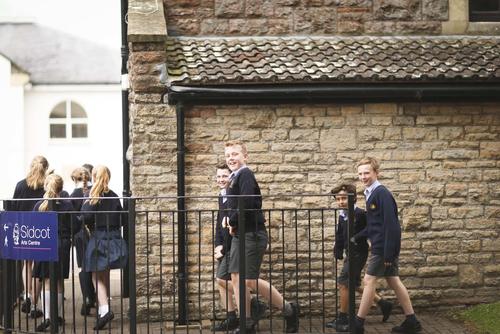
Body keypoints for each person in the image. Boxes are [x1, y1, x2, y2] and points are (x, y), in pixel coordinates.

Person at [223, 140, 299, 334]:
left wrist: (231, 221)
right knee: (236, 279)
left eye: (235, 154)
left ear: (245, 156)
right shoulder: (234, 177)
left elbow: (246, 202)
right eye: (228, 155)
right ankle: (246, 324)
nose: (231, 158)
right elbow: (236, 206)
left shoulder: (246, 174)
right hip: (241, 234)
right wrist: (233, 224)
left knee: (249, 281)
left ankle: (289, 310)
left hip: (253, 235)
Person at [354, 157, 421, 334]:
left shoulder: (381, 193)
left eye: (367, 172)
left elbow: (392, 226)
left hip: (383, 247)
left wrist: (389, 254)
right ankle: (412, 321)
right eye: (360, 173)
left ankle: (358, 324)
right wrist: (358, 236)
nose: (363, 177)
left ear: (376, 173)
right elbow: (375, 224)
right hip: (380, 245)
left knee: (368, 281)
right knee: (394, 280)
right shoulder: (370, 193)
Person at [326, 183, 392, 331]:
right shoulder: (342, 215)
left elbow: (371, 228)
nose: (341, 202)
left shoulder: (361, 214)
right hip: (350, 252)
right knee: (353, 284)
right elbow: (339, 234)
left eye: (344, 198)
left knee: (344, 282)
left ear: (353, 198)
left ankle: (343, 318)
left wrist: (357, 237)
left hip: (358, 252)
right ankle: (383, 303)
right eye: (338, 199)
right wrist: (338, 248)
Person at [212, 163, 267, 332]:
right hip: (228, 244)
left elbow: (235, 218)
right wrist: (218, 244)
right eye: (219, 176)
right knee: (223, 279)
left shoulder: (235, 191)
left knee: (245, 280)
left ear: (232, 177)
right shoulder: (222, 196)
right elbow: (220, 223)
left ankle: (252, 307)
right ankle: (235, 316)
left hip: (237, 240)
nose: (222, 179)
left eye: (225, 176)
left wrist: (226, 244)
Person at [81, 166, 128, 330]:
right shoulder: (114, 196)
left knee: (95, 276)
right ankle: (102, 310)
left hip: (99, 238)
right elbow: (122, 219)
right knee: (104, 273)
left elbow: (85, 217)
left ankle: (105, 309)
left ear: (94, 177)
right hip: (114, 238)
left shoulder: (92, 196)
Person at [32, 174, 78, 332]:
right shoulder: (67, 205)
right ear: (61, 188)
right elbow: (76, 226)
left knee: (45, 280)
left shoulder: (39, 205)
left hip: (43, 244)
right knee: (58, 281)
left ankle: (47, 317)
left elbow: (33, 227)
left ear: (46, 186)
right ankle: (55, 316)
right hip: (62, 244)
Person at [9, 156, 49, 318]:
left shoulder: (20, 185)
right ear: (46, 168)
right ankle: (34, 303)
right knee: (39, 267)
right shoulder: (47, 185)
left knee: (27, 264)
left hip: (24, 228)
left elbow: (13, 207)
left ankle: (27, 295)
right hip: (41, 229)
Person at [69, 166, 96, 316]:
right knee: (96, 265)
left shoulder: (73, 195)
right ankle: (96, 297)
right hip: (94, 232)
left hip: (80, 234)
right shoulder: (94, 191)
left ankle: (87, 298)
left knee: (83, 266)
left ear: (74, 179)